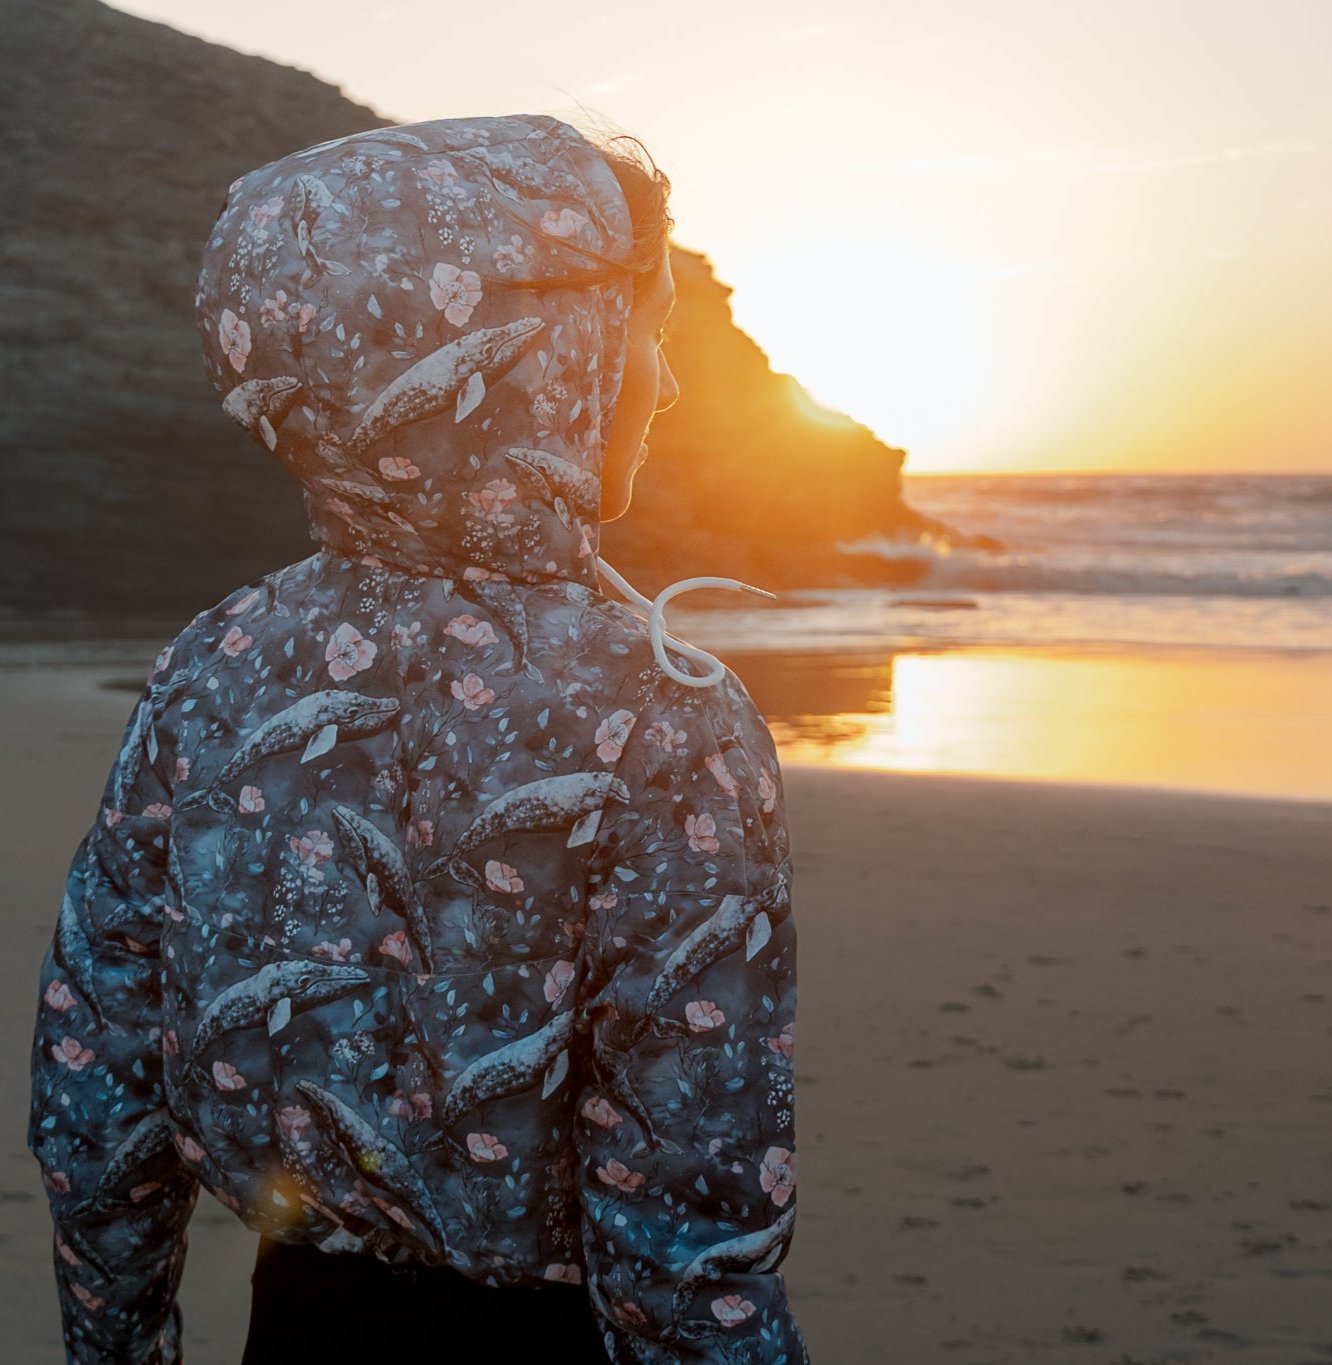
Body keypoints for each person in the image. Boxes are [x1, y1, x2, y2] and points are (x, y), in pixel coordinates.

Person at [28, 113, 807, 1364]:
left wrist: (117, 1347)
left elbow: (93, 1092)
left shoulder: (217, 664)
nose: (660, 384)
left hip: (292, 1328)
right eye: (644, 332)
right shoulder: (668, 723)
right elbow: (689, 1233)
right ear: (539, 352)